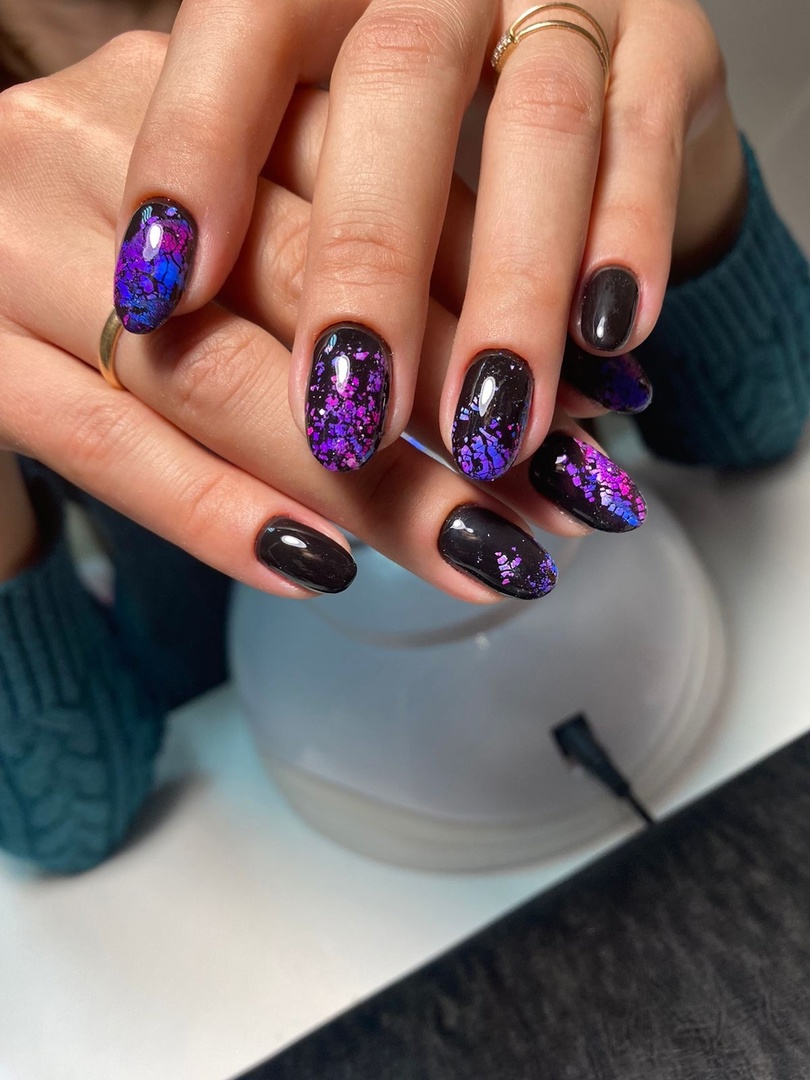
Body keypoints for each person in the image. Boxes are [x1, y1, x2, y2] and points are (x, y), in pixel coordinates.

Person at [0, 1, 808, 872]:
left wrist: (682, 129)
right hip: (264, 785)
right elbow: (72, 816)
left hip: (616, 647)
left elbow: (760, 430)